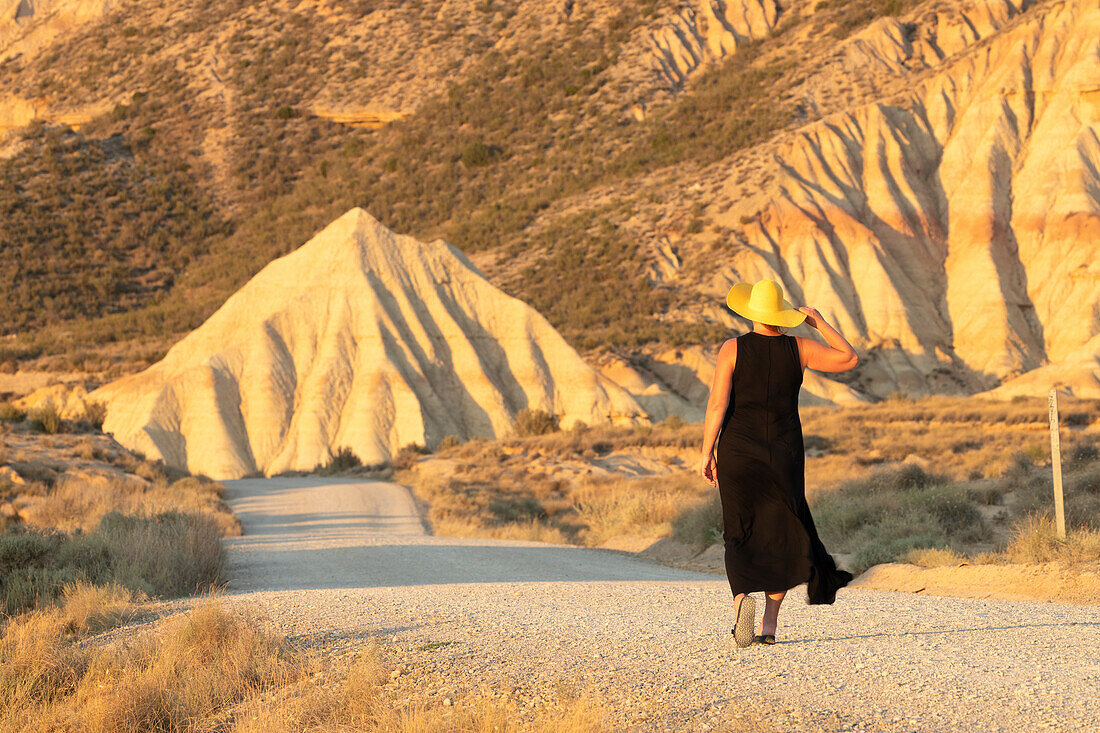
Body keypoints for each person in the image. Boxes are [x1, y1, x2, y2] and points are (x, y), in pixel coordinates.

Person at [699, 279, 859, 648]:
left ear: (751, 312)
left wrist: (707, 450)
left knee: (738, 531)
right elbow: (849, 358)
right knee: (782, 535)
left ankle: (741, 601)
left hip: (738, 452)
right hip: (784, 454)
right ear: (781, 314)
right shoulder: (799, 348)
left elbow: (717, 405)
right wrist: (817, 322)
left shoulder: (732, 348)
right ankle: (769, 627)